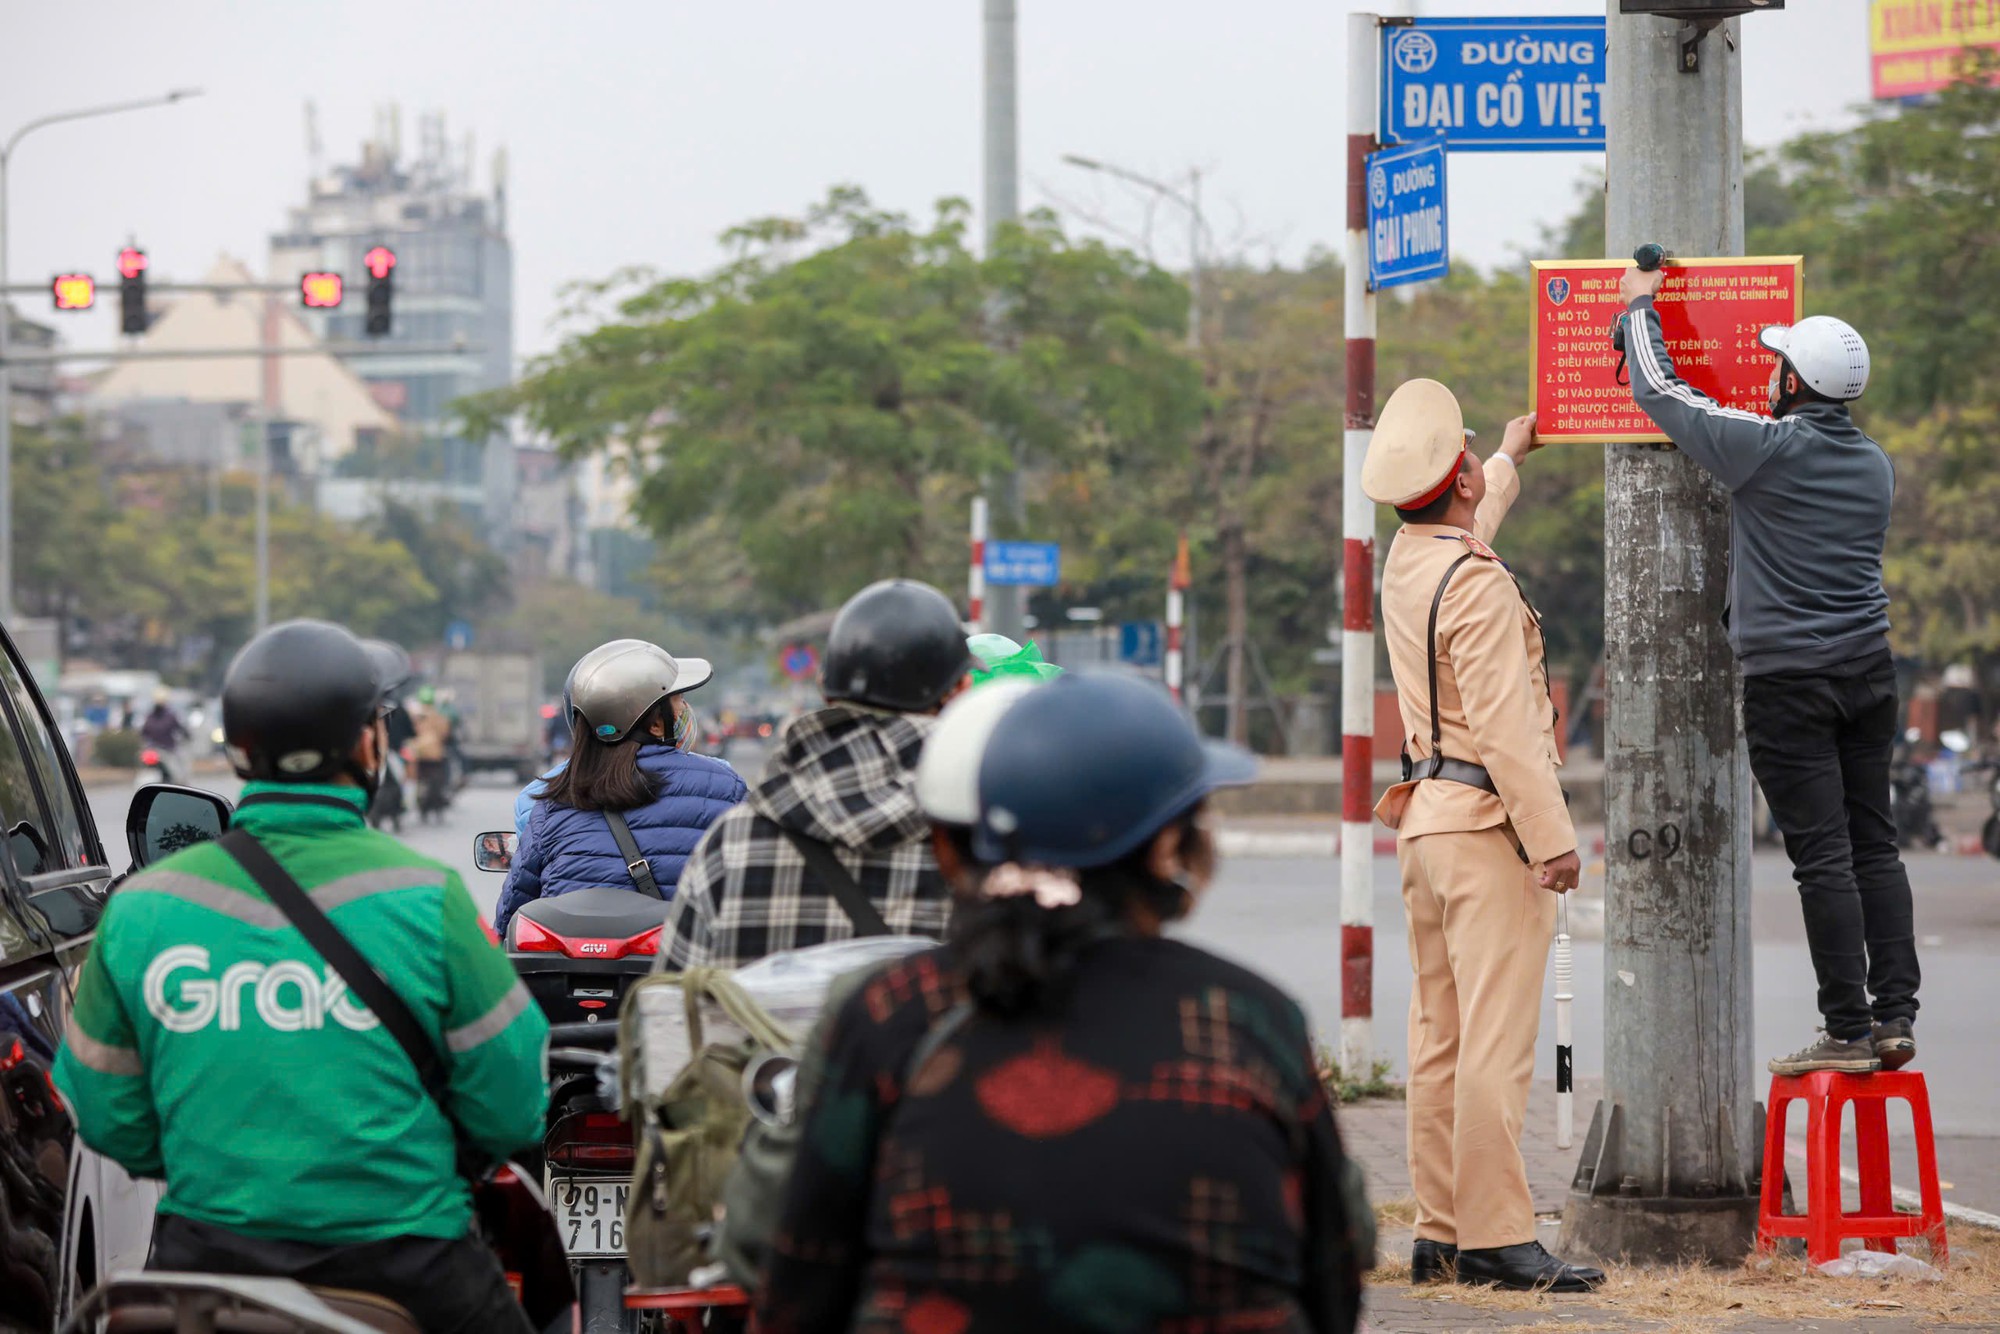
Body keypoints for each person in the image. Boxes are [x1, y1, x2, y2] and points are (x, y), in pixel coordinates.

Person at [754, 672, 1365, 1334]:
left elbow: (800, 1282)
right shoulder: (1249, 1018)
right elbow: (1335, 1277)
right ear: (1166, 848)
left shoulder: (889, 1012)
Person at [53, 620, 549, 1333]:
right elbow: (513, 1102)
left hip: (204, 1263)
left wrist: (224, 1166)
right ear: (367, 743)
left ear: (240, 748)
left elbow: (102, 1109)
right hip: (409, 1267)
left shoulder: (143, 908)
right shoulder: (427, 896)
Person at [1620, 268, 1919, 1077]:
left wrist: (1636, 303)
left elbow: (1666, 395)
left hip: (1791, 686)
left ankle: (1845, 1030)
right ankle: (1893, 1017)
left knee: (1821, 855)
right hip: (1869, 675)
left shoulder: (1768, 453)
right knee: (1874, 846)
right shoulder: (1876, 468)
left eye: (1778, 364)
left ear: (1793, 380)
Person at [1363, 380, 1601, 1293]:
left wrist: (1506, 459)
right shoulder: (1481, 586)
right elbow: (1508, 732)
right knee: (1496, 1046)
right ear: (1455, 478)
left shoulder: (1412, 559)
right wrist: (1554, 841)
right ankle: (1500, 1237)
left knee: (1440, 1040)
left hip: (1424, 825)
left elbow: (1468, 536)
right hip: (1485, 828)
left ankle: (1441, 1232)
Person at [657, 579, 973, 971]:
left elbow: (670, 1011)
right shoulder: (992, 841)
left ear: (826, 692)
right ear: (961, 691)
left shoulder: (733, 843)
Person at [495, 639, 745, 938]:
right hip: (675, 968)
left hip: (566, 975)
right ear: (655, 723)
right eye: (678, 700)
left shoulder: (552, 800)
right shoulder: (724, 786)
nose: (684, 710)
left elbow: (513, 909)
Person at [139, 688, 189, 754]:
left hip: (152, 749)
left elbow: (143, 732)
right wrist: (187, 735)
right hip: (167, 748)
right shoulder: (170, 716)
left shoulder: (150, 716)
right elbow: (180, 729)